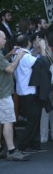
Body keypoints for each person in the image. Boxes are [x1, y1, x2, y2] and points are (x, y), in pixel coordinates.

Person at [0, 31, 31, 161]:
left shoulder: (1, 55)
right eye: (3, 38)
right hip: (3, 94)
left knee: (2, 121)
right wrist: (18, 57)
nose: (5, 40)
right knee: (8, 121)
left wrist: (11, 54)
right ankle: (12, 151)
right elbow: (10, 69)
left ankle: (1, 149)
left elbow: (3, 63)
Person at [14, 34, 47, 152]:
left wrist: (36, 49)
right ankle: (23, 145)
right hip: (29, 92)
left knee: (34, 119)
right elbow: (43, 63)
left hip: (23, 91)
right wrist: (42, 48)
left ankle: (34, 144)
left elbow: (31, 60)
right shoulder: (26, 57)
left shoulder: (17, 54)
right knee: (33, 119)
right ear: (28, 42)